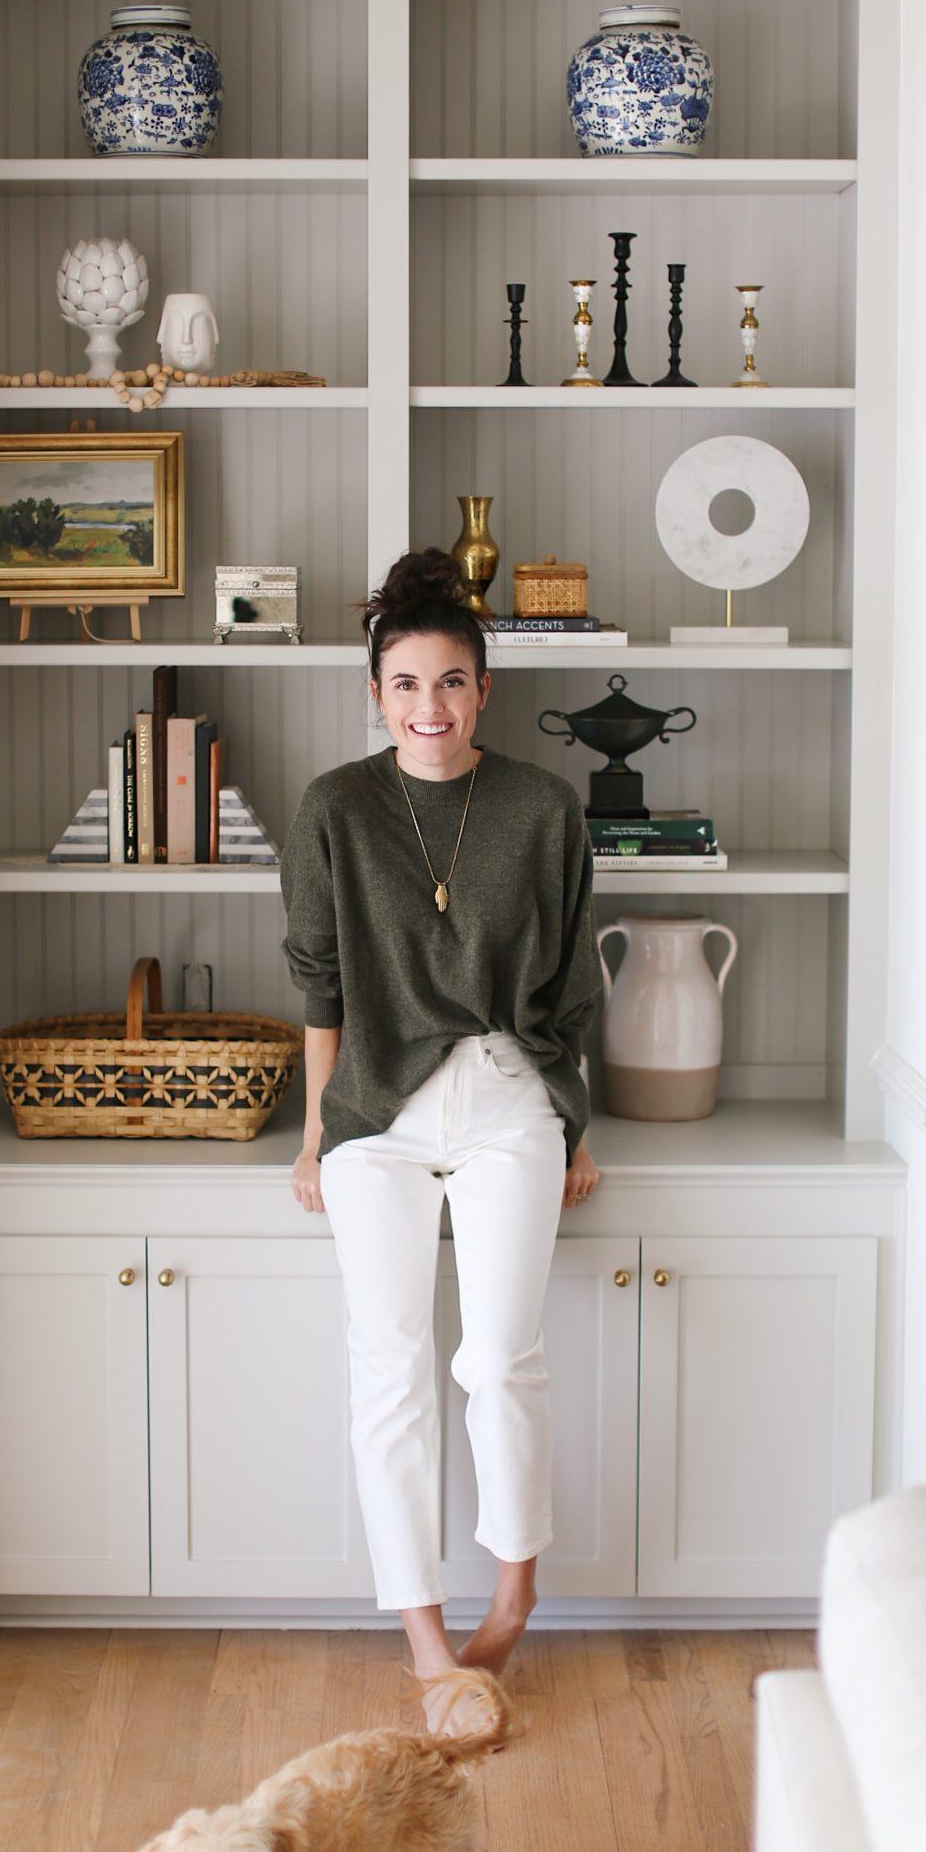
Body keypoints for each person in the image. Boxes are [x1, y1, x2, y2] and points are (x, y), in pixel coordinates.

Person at [277, 546, 603, 1727]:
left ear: (485, 690)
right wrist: (319, 1134)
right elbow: (320, 983)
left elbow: (570, 986)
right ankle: (424, 1635)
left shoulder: (540, 807)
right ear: (376, 691)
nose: (430, 707)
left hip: (508, 1091)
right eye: (407, 683)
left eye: (453, 682)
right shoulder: (336, 808)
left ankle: (511, 1604)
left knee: (501, 1358)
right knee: (390, 1368)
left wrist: (571, 1125)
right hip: (378, 1109)